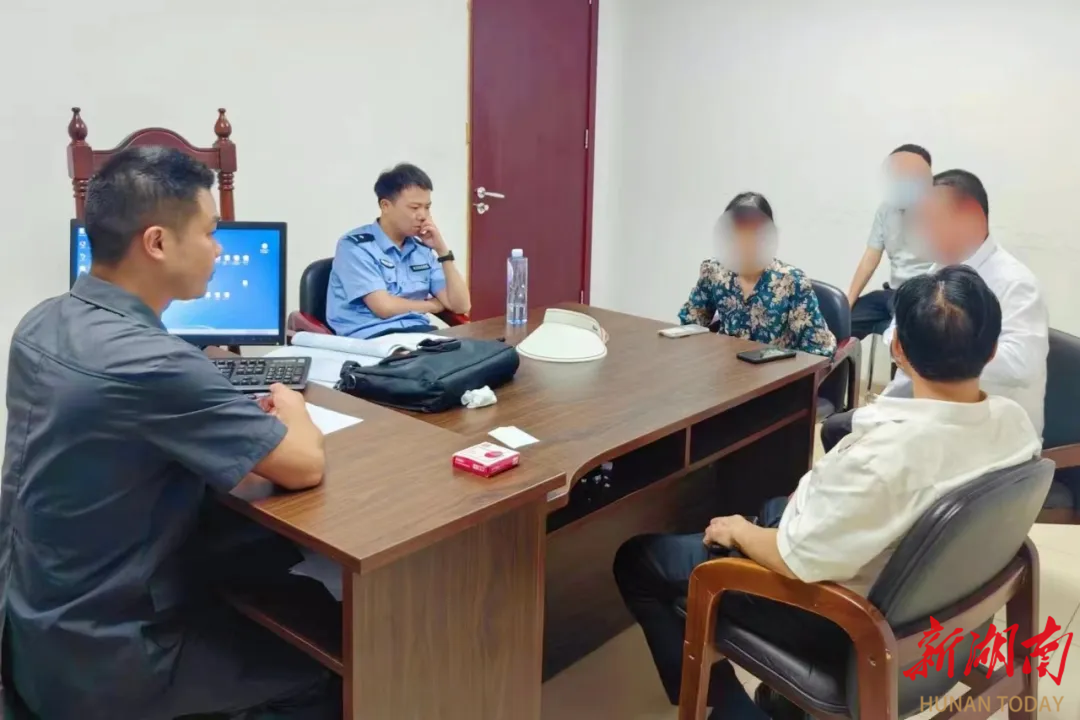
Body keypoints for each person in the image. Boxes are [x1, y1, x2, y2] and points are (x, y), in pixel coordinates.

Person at [614, 265, 1041, 720]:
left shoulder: (886, 457)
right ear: (992, 349)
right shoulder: (1015, 424)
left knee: (639, 561)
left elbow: (795, 560)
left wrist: (739, 532)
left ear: (897, 348)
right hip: (938, 612)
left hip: (849, 621)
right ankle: (785, 703)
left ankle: (728, 707)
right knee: (773, 507)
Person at [0, 147, 339, 719]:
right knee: (324, 669)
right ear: (157, 242)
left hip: (30, 627)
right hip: (108, 659)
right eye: (209, 232)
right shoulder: (154, 363)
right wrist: (292, 406)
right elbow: (303, 464)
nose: (219, 249)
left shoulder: (41, 321)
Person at [822, 169, 1049, 452]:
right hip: (921, 413)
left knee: (858, 453)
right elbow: (897, 329)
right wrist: (907, 347)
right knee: (837, 430)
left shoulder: (1015, 283)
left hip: (982, 433)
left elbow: (1022, 364)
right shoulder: (937, 270)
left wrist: (935, 353)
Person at [679, 192, 836, 357]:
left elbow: (819, 349)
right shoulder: (714, 271)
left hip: (777, 369)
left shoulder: (792, 282)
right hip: (726, 366)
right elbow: (692, 321)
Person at [326, 163, 471, 338]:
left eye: (427, 207)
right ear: (385, 206)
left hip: (418, 336)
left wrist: (443, 252)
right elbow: (384, 308)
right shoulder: (355, 247)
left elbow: (461, 306)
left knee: (492, 352)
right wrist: (433, 305)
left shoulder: (421, 250)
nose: (423, 215)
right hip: (371, 339)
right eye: (414, 208)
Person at [845, 144, 935, 339]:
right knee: (840, 322)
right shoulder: (885, 209)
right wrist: (847, 302)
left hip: (924, 297)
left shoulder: (940, 212)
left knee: (902, 334)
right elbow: (870, 259)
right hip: (892, 293)